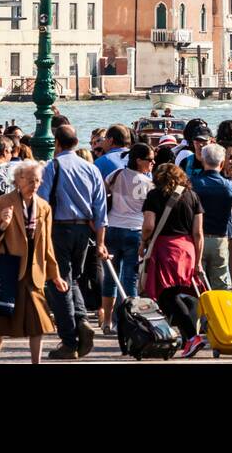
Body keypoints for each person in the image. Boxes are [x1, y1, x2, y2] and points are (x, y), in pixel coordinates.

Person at [0, 161, 65, 364]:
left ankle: (36, 362)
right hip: (7, 271)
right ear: (17, 180)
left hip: (34, 271)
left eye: (37, 180)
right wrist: (3, 224)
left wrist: (55, 275)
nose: (34, 184)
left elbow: (47, 244)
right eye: (29, 180)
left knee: (38, 322)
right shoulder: (1, 203)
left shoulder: (44, 207)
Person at [37, 124, 108, 361]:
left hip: (59, 229)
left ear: (56, 143)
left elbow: (43, 204)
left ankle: (69, 340)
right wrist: (100, 242)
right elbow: (101, 209)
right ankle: (82, 320)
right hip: (84, 231)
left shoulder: (51, 167)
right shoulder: (91, 168)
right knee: (73, 279)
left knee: (57, 282)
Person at [141, 162, 207, 358]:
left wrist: (144, 242)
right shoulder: (192, 196)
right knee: (177, 293)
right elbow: (198, 232)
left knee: (166, 295)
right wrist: (198, 260)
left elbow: (148, 225)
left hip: (165, 249)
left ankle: (192, 337)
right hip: (187, 249)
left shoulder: (154, 196)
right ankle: (189, 338)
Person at [101, 142, 153, 333]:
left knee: (110, 277)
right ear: (139, 161)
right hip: (135, 230)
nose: (152, 163)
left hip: (113, 227)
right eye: (149, 160)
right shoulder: (148, 183)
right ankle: (129, 322)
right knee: (130, 279)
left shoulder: (114, 176)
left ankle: (107, 321)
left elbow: (103, 194)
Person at [191, 143, 232, 293]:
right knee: (220, 284)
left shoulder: (193, 183)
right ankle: (216, 315)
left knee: (197, 284)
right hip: (220, 238)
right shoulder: (228, 186)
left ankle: (199, 315)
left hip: (197, 238)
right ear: (221, 164)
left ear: (203, 161)